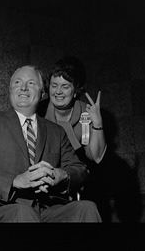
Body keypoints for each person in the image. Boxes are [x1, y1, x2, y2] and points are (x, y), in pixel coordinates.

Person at [0, 65, 102, 222]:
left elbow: (80, 169)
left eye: (31, 83)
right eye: (17, 82)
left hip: (49, 208)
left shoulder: (56, 131)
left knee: (87, 208)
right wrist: (15, 181)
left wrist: (62, 175)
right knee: (24, 213)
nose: (24, 88)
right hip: (5, 206)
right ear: (10, 90)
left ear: (42, 93)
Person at [37, 56, 107, 204]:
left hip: (76, 182)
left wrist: (97, 123)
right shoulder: (39, 110)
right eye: (54, 85)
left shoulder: (85, 112)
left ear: (75, 90)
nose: (58, 91)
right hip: (42, 180)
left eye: (65, 86)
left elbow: (96, 157)